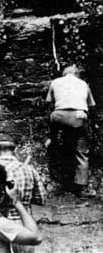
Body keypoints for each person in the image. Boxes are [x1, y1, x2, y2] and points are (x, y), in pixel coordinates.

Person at [45, 64, 97, 198]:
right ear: (76, 73)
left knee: (57, 145)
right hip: (78, 117)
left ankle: (52, 140)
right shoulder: (83, 83)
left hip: (59, 117)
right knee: (81, 153)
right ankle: (81, 188)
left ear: (64, 73)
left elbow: (49, 103)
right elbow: (92, 106)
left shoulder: (55, 82)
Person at [0, 135, 46, 253]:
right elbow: (42, 199)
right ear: (15, 150)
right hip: (24, 225)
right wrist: (25, 197)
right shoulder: (28, 169)